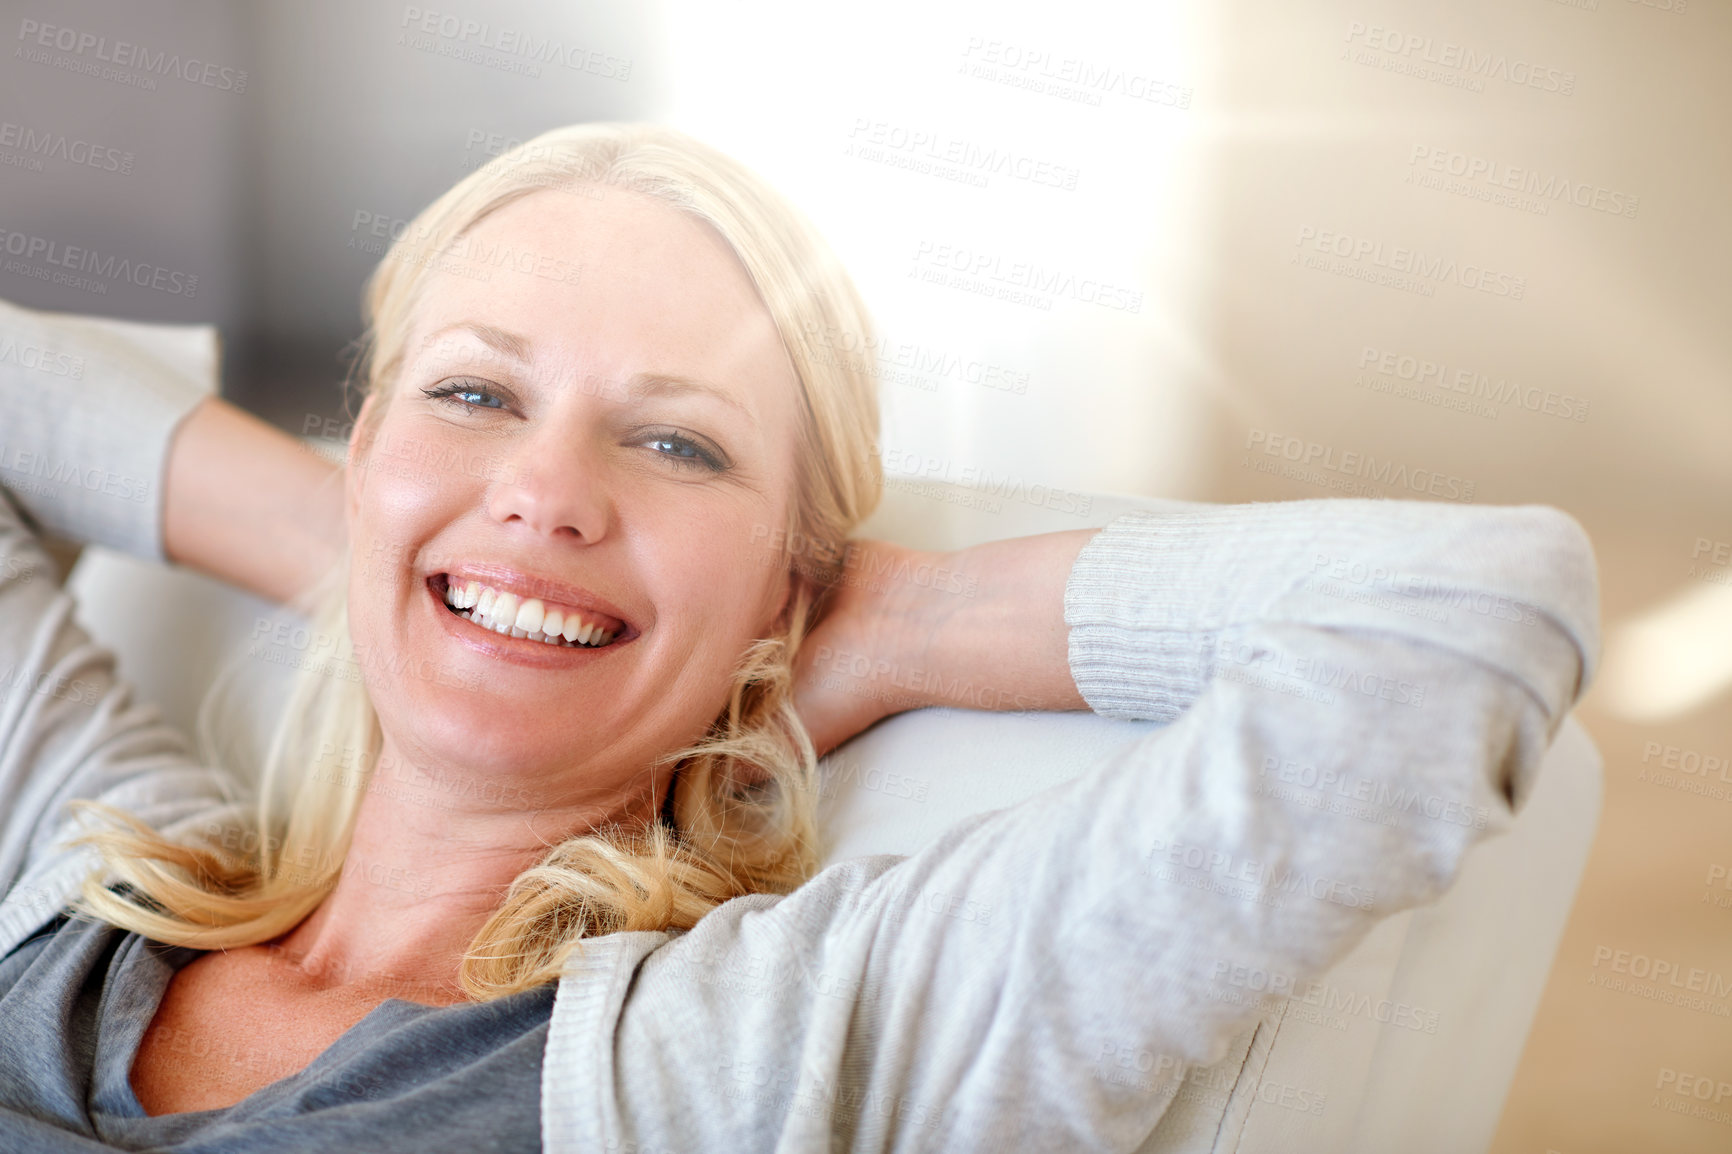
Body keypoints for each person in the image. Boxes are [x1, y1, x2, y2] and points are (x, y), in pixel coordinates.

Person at [0, 122, 1599, 1152]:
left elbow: (1472, 613)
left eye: (678, 444)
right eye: (476, 394)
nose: (547, 491)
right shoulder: (86, 876)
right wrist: (372, 545)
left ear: (787, 586)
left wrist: (892, 619)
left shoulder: (762, 1047)